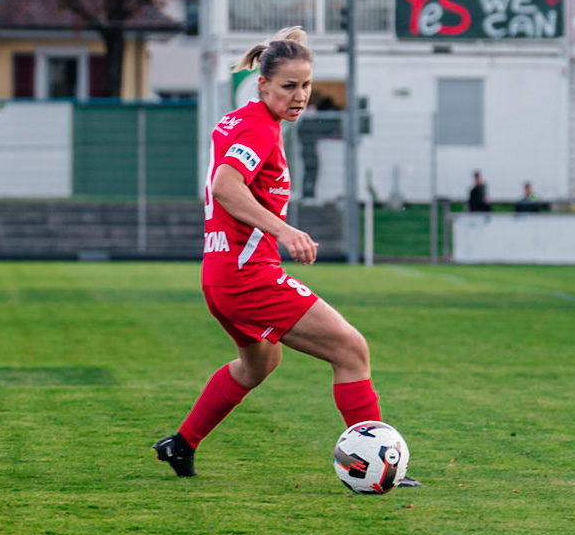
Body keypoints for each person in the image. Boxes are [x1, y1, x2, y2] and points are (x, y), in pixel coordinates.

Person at [154, 27, 415, 484]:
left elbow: (228, 175)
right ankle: (372, 466)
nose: (300, 97)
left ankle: (182, 444)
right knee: (351, 349)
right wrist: (285, 230)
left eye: (306, 85)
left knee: (259, 364)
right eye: (289, 87)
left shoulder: (242, 119)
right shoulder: (257, 129)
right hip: (247, 276)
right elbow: (225, 187)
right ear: (263, 85)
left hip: (220, 276)